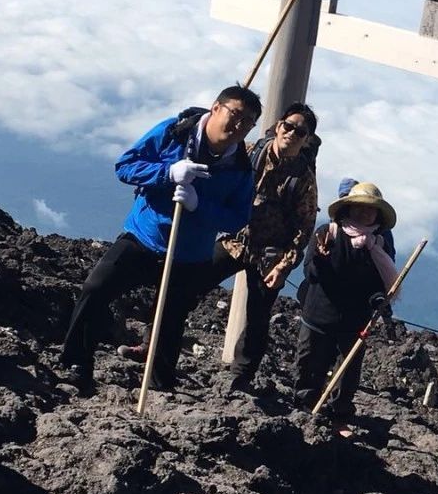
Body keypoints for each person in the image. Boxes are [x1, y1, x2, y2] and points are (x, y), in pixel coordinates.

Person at [59, 86, 260, 391]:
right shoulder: (175, 132)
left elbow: (238, 217)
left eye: (248, 122)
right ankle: (77, 363)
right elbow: (126, 166)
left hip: (189, 254)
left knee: (171, 320)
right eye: (236, 114)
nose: (239, 126)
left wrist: (198, 205)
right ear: (216, 108)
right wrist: (168, 173)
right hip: (144, 236)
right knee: (95, 290)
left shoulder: (240, 167)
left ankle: (159, 384)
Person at [120, 102, 320, 393]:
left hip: (270, 255)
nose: (291, 133)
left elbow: (305, 226)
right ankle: (152, 346)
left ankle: (242, 378)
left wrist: (284, 264)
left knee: (258, 317)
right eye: (288, 126)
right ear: (278, 126)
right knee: (184, 290)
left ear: (306, 139)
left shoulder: (303, 178)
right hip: (235, 240)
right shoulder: (248, 153)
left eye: (299, 131)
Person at [294, 182, 398, 434]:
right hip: (319, 314)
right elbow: (311, 272)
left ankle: (338, 415)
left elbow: (377, 283)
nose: (365, 213)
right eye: (360, 207)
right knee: (310, 365)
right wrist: (320, 255)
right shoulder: (327, 232)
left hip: (354, 320)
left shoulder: (379, 244)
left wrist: (378, 300)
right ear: (349, 208)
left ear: (378, 215)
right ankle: (304, 410)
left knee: (347, 372)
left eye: (370, 210)